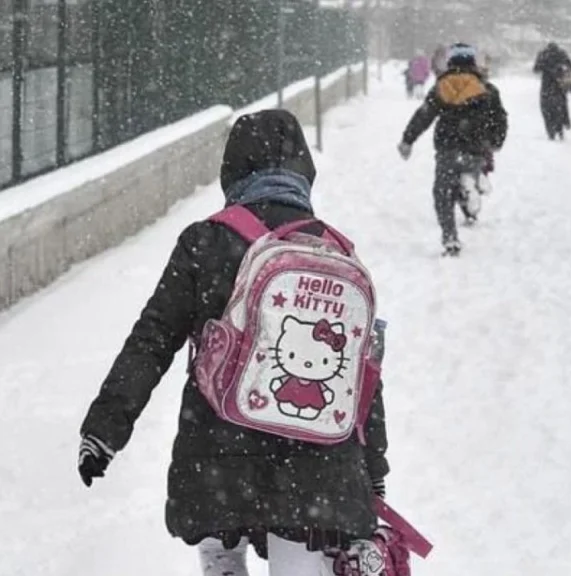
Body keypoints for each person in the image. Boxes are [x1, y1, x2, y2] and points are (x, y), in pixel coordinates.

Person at [77, 109, 390, 575]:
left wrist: (104, 428)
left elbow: (153, 338)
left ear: (232, 171)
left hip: (217, 454)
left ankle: (223, 561)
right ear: (304, 172)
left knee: (220, 547)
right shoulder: (334, 252)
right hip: (316, 467)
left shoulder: (205, 242)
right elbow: (360, 375)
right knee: (302, 557)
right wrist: (373, 470)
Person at [398, 43, 508, 256]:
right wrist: (496, 141)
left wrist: (407, 140)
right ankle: (472, 187)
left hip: (447, 147)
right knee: (469, 173)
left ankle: (450, 238)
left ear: (450, 62)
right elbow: (500, 119)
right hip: (476, 147)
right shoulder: (488, 90)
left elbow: (424, 115)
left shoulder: (441, 87)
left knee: (443, 193)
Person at [533, 42, 571, 140]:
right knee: (560, 107)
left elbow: (536, 69)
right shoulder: (561, 54)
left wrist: (545, 68)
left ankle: (551, 131)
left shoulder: (543, 54)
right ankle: (561, 126)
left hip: (546, 86)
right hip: (559, 85)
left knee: (547, 109)